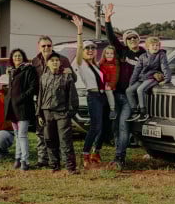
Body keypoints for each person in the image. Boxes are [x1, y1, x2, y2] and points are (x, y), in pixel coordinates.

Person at [104, 3, 146, 170]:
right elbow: (111, 38)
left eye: (134, 37)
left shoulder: (144, 54)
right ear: (125, 41)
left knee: (123, 126)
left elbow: (158, 60)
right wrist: (107, 20)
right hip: (117, 95)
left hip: (130, 97)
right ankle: (118, 155)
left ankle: (120, 159)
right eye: (129, 38)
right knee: (115, 127)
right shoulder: (122, 52)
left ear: (138, 39)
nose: (132, 40)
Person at [31, 35, 76, 168]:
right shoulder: (35, 61)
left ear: (52, 46)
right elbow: (37, 87)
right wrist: (39, 111)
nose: (46, 48)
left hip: (61, 107)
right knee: (46, 136)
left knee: (64, 138)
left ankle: (69, 165)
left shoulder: (63, 59)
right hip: (44, 106)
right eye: (43, 46)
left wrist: (70, 111)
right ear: (39, 47)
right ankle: (47, 161)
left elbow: (72, 83)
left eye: (49, 45)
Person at [71, 15, 106, 169]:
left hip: (103, 96)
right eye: (87, 48)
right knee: (95, 127)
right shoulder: (80, 64)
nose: (90, 50)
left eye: (92, 48)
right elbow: (79, 48)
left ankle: (96, 153)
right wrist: (79, 31)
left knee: (104, 126)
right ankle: (85, 154)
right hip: (93, 96)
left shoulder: (97, 66)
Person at [5, 49, 38, 171]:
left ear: (23, 57)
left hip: (23, 107)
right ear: (12, 59)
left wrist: (21, 98)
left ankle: (25, 160)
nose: (17, 57)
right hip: (13, 108)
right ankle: (17, 158)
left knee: (22, 135)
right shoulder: (12, 71)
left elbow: (33, 87)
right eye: (15, 56)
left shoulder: (28, 69)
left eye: (19, 55)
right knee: (17, 135)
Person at [127, 36, 171, 121]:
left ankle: (143, 112)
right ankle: (135, 112)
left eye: (157, 45)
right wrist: (131, 83)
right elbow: (137, 70)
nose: (155, 47)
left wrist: (166, 79)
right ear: (147, 46)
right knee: (129, 91)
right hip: (142, 78)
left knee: (140, 89)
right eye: (153, 45)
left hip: (153, 77)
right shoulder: (143, 56)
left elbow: (165, 67)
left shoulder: (161, 55)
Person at [98, 46, 119, 116]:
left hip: (110, 84)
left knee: (108, 92)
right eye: (107, 53)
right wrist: (101, 86)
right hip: (102, 83)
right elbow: (100, 76)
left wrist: (110, 85)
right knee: (96, 93)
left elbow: (115, 77)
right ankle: (93, 112)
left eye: (111, 53)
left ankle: (112, 109)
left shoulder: (115, 65)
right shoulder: (101, 64)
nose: (109, 55)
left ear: (114, 55)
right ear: (104, 54)